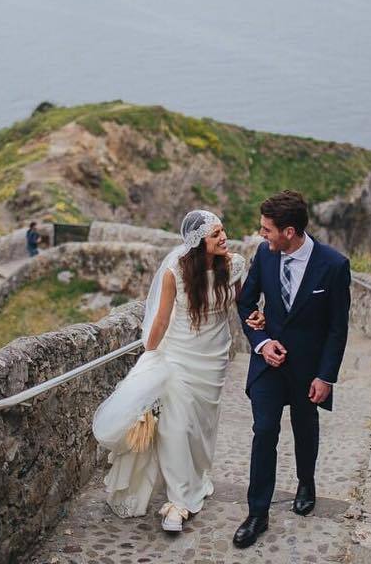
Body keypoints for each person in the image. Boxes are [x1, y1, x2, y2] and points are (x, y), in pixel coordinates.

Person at [93, 210, 247, 532]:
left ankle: (198, 477)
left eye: (223, 231)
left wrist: (257, 319)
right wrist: (149, 356)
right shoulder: (175, 271)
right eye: (215, 233)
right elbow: (161, 319)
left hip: (214, 358)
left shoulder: (235, 266)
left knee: (201, 428)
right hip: (178, 356)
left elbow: (242, 305)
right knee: (174, 427)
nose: (224, 237)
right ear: (198, 242)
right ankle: (179, 500)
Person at [232, 190, 351, 548]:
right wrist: (262, 342)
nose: (261, 234)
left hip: (309, 370)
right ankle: (257, 514)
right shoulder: (265, 257)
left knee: (304, 428)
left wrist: (326, 376)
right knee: (264, 430)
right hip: (267, 364)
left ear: (289, 231)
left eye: (266, 229)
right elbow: (246, 302)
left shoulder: (333, 265)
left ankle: (306, 482)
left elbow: (337, 328)